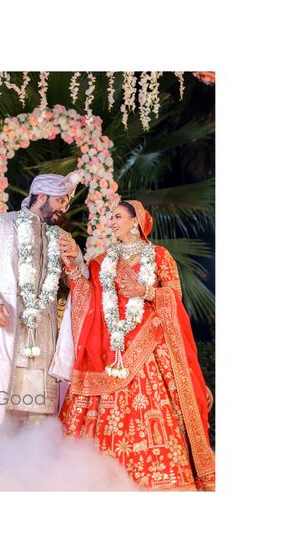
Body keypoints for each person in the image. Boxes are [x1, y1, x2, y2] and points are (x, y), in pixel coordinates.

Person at [59, 200, 215, 491]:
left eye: (118, 216)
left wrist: (145, 291)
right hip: (111, 348)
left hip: (150, 345)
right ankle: (103, 479)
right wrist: (72, 265)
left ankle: (160, 478)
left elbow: (174, 297)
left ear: (136, 221)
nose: (112, 222)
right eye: (111, 217)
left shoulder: (158, 255)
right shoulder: (103, 260)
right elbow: (87, 293)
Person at [0, 172, 88, 436]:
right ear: (41, 196)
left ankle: (33, 459)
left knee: (38, 413)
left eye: (67, 203)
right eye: (60, 201)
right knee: (0, 405)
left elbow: (79, 281)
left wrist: (76, 256)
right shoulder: (3, 224)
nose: (64, 209)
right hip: (7, 325)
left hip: (41, 336)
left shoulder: (60, 237)